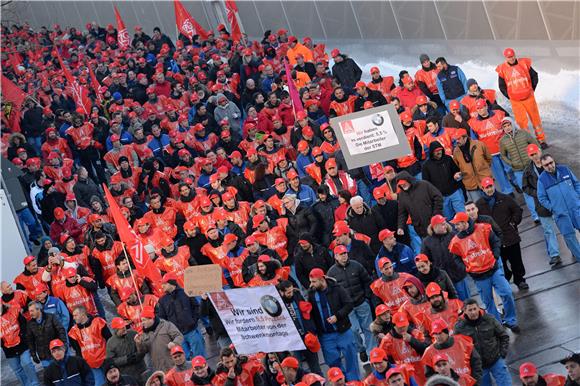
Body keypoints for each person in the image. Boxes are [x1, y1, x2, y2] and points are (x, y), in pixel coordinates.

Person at [448, 212, 519, 332]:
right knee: (488, 302)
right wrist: (466, 269)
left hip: (493, 269)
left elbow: (495, 241)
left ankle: (511, 320)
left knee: (506, 293)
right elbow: (456, 258)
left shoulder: (483, 228)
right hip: (478, 276)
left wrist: (495, 256)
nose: (456, 227)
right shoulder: (455, 241)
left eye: (458, 224)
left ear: (465, 223)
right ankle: (498, 325)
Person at [307, 268, 360, 381]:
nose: (311, 284)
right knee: (332, 361)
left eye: (314, 281)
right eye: (311, 281)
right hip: (325, 335)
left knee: (351, 358)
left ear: (322, 280)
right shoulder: (311, 293)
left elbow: (349, 304)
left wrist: (337, 316)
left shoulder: (337, 289)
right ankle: (342, 380)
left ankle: (354, 381)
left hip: (343, 331)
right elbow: (311, 314)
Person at [476, 176, 528, 289]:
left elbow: (517, 210)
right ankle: (507, 276)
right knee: (501, 263)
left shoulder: (505, 198)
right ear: (482, 189)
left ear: (493, 186)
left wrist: (513, 223)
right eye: (486, 187)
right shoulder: (479, 205)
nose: (489, 189)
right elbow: (476, 220)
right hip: (493, 240)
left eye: (490, 186)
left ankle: (520, 280)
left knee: (516, 260)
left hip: (510, 235)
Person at [327, 244, 374, 360]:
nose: (344, 256)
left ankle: (371, 352)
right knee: (354, 330)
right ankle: (361, 349)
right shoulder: (331, 273)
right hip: (347, 307)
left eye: (345, 253)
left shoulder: (356, 265)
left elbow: (367, 281)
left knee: (369, 328)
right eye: (341, 254)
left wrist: (366, 297)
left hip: (361, 302)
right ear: (336, 256)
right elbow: (331, 292)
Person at [496, 48, 547, 147]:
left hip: (529, 98)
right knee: (522, 123)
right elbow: (501, 86)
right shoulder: (502, 69)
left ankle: (542, 140)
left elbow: (534, 76)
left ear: (515, 55)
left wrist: (531, 89)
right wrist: (510, 96)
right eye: (509, 57)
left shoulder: (524, 63)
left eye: (512, 56)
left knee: (536, 120)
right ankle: (528, 142)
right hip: (516, 102)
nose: (511, 59)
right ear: (505, 58)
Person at [454, 299, 511, 386]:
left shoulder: (489, 319)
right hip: (478, 368)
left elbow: (503, 336)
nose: (473, 312)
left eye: (474, 309)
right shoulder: (459, 328)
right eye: (470, 310)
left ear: (478, 308)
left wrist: (502, 353)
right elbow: (458, 349)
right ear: (464, 311)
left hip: (496, 360)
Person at [522, 144, 562, 266]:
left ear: (540, 151)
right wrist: (538, 194)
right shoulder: (528, 171)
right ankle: (555, 255)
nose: (535, 156)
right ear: (529, 156)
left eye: (536, 153)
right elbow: (525, 187)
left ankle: (573, 248)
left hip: (557, 201)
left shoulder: (550, 163)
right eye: (532, 155)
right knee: (548, 230)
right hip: (541, 205)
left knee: (565, 227)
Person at [537, 154, 580, 261]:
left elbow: (577, 184)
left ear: (554, 161)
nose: (550, 166)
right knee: (570, 238)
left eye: (551, 163)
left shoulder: (565, 169)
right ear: (543, 166)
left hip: (576, 208)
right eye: (546, 165)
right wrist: (553, 208)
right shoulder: (542, 180)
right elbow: (542, 198)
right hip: (561, 214)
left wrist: (577, 198)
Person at [277, 280, 322, 374]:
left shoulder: (297, 295)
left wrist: (312, 330)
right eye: (288, 292)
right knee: (296, 369)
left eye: (292, 291)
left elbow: (307, 313)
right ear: (281, 292)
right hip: (293, 341)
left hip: (307, 337)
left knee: (316, 368)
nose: (291, 294)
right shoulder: (278, 304)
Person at [499, 116, 540, 220]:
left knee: (539, 188)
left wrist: (537, 158)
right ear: (503, 128)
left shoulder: (523, 133)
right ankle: (535, 215)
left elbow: (535, 144)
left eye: (509, 125)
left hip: (531, 166)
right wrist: (511, 163)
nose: (507, 128)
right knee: (527, 192)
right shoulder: (503, 140)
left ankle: (546, 209)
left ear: (512, 124)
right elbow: (503, 155)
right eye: (505, 126)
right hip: (518, 171)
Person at [157, 272, 205, 360]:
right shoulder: (162, 300)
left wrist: (193, 321)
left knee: (199, 357)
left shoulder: (186, 292)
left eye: (164, 284)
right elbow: (162, 319)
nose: (162, 286)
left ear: (171, 283)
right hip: (177, 336)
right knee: (183, 361)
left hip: (192, 331)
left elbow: (196, 307)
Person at [396, 171, 443, 251]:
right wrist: (401, 227)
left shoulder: (424, 185)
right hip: (421, 229)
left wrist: (436, 215)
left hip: (435, 224)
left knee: (442, 245)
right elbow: (402, 213)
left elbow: (438, 197)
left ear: (409, 180)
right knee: (431, 250)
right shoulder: (401, 195)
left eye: (404, 183)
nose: (402, 185)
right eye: (400, 184)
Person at [379, 312, 430, 385]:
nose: (403, 328)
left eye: (404, 325)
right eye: (400, 326)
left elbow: (426, 350)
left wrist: (412, 340)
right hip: (402, 379)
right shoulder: (387, 341)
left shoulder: (416, 333)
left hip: (422, 373)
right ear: (394, 326)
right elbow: (386, 363)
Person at [68, 306, 112, 386]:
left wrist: (110, 354)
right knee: (99, 384)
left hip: (105, 358)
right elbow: (77, 350)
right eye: (73, 315)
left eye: (75, 315)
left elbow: (109, 339)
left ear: (83, 314)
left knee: (113, 381)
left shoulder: (98, 322)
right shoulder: (73, 332)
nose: (73, 318)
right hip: (90, 363)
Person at [422, 141, 465, 220]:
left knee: (462, 215)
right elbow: (426, 184)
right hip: (441, 197)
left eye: (440, 150)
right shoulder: (426, 166)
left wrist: (457, 174)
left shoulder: (448, 159)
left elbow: (457, 171)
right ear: (432, 152)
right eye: (436, 151)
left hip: (455, 192)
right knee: (449, 219)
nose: (439, 152)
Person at [1, 302, 41, 386]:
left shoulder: (13, 311)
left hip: (21, 344)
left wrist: (22, 336)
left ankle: (35, 384)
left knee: (27, 364)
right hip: (8, 349)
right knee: (17, 369)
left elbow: (23, 323)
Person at [135, 305, 184, 372]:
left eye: (144, 320)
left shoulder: (166, 325)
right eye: (142, 321)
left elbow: (179, 336)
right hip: (159, 368)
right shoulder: (143, 334)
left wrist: (174, 343)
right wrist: (139, 344)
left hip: (174, 363)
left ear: (151, 319)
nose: (142, 323)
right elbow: (143, 351)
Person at [452, 129, 493, 202]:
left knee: (492, 202)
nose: (457, 141)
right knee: (479, 207)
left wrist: (484, 169)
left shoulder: (479, 144)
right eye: (455, 139)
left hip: (485, 180)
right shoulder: (456, 152)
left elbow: (489, 159)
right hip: (470, 183)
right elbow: (457, 167)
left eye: (458, 139)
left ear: (465, 137)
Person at [26, 301, 68, 368]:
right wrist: (33, 355)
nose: (30, 313)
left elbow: (61, 331)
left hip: (56, 352)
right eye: (29, 311)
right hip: (44, 356)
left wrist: (64, 345)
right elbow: (30, 341)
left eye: (32, 311)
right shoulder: (30, 324)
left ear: (38, 309)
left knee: (63, 372)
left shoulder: (51, 317)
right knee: (51, 376)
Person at [106, 317, 147, 383]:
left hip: (141, 370)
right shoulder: (110, 343)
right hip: (127, 375)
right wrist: (126, 359)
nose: (124, 328)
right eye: (121, 328)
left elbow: (143, 351)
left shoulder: (133, 333)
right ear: (116, 330)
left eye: (124, 326)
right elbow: (111, 361)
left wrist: (139, 345)